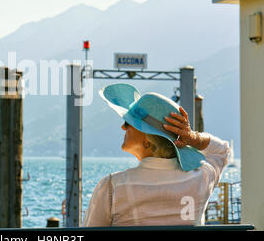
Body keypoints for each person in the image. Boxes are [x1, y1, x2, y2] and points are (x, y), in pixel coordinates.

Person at [82, 83, 230, 227]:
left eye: (128, 124)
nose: (123, 127)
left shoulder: (112, 187)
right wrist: (193, 137)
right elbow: (222, 151)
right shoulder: (200, 178)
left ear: (148, 141)